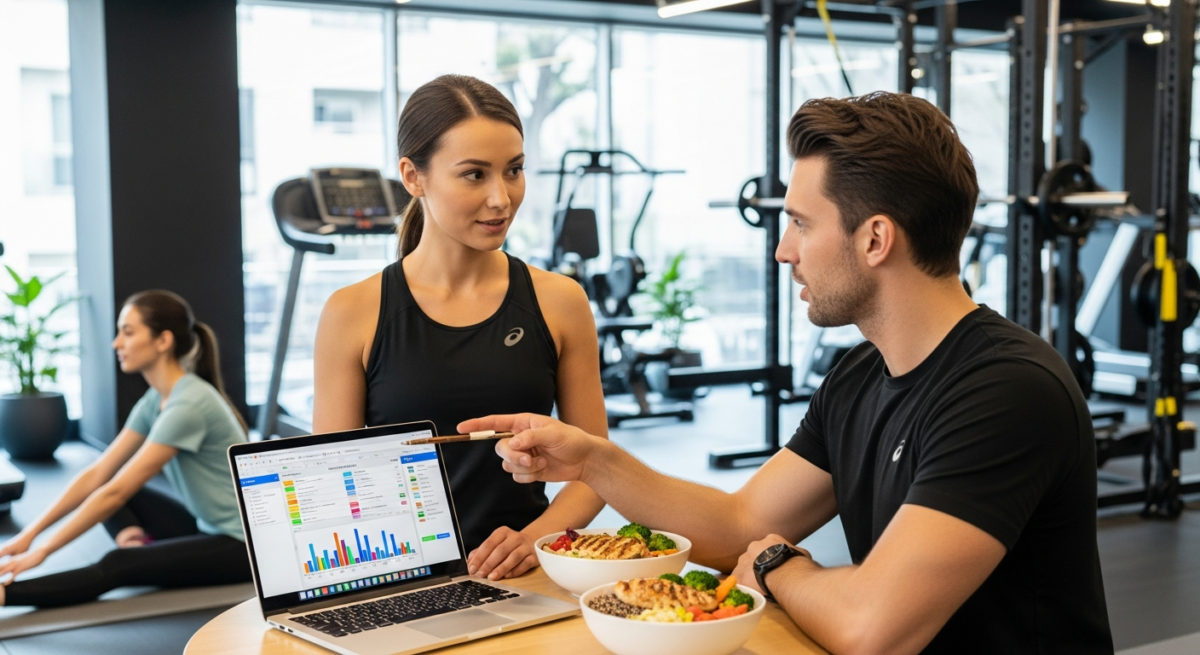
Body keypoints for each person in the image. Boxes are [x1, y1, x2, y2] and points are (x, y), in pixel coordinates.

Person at [462, 92, 1115, 654]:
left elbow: (871, 627)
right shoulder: (861, 374)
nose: (783, 249)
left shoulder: (1006, 391)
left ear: (876, 239)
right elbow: (740, 522)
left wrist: (778, 564)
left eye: (801, 223)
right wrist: (594, 462)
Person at [313, 74, 608, 582]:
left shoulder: (560, 301)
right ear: (414, 176)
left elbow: (598, 470)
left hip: (525, 574)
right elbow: (336, 483)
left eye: (513, 171)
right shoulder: (352, 312)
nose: (501, 198)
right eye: (474, 174)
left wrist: (535, 540)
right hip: (401, 578)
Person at [0, 290, 252, 608]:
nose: (116, 343)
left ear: (163, 341)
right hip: (205, 524)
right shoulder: (158, 398)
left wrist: (43, 551)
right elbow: (98, 474)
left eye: (128, 332)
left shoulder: (189, 404)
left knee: (119, 564)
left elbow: (116, 493)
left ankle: (5, 594)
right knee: (105, 489)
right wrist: (29, 534)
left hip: (243, 546)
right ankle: (136, 539)